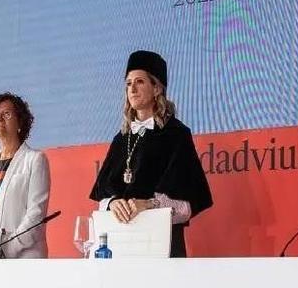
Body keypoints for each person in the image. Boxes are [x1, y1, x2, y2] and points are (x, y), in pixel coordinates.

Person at [89, 50, 213, 257]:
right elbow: (102, 197)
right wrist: (112, 203)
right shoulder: (121, 139)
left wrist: (148, 204)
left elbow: (188, 206)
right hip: (121, 245)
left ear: (156, 88)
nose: (132, 89)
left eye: (139, 82)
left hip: (161, 247)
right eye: (128, 84)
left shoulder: (176, 135)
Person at [0, 93, 51, 258]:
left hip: (21, 259)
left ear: (20, 122)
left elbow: (36, 215)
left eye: (6, 113)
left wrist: (5, 249)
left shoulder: (35, 160)